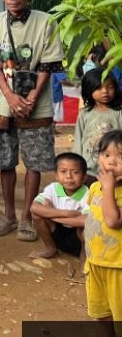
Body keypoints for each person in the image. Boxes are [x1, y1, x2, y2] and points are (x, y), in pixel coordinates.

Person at [0, 0, 65, 242]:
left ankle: (27, 216)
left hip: (35, 106)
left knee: (34, 163)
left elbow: (48, 65)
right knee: (6, 162)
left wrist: (31, 98)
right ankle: (8, 215)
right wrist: (10, 96)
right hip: (3, 104)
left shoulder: (46, 22)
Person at [82, 129, 122, 325]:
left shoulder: (105, 188)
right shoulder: (95, 188)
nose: (112, 162)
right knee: (102, 315)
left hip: (118, 267)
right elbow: (92, 218)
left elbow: (113, 221)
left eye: (120, 157)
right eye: (106, 155)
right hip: (95, 263)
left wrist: (108, 188)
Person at [28, 152, 88, 259]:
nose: (68, 176)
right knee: (36, 215)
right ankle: (50, 248)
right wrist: (67, 214)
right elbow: (34, 208)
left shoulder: (88, 193)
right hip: (57, 232)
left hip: (78, 240)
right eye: (63, 171)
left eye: (75, 172)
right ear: (56, 175)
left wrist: (52, 214)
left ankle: (84, 257)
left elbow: (86, 220)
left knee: (84, 228)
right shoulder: (53, 188)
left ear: (84, 177)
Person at [73, 69, 122, 180]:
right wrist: (77, 166)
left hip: (113, 171)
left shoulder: (119, 113)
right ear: (89, 89)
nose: (105, 91)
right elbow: (78, 141)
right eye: (99, 87)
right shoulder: (84, 114)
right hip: (89, 171)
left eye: (110, 87)